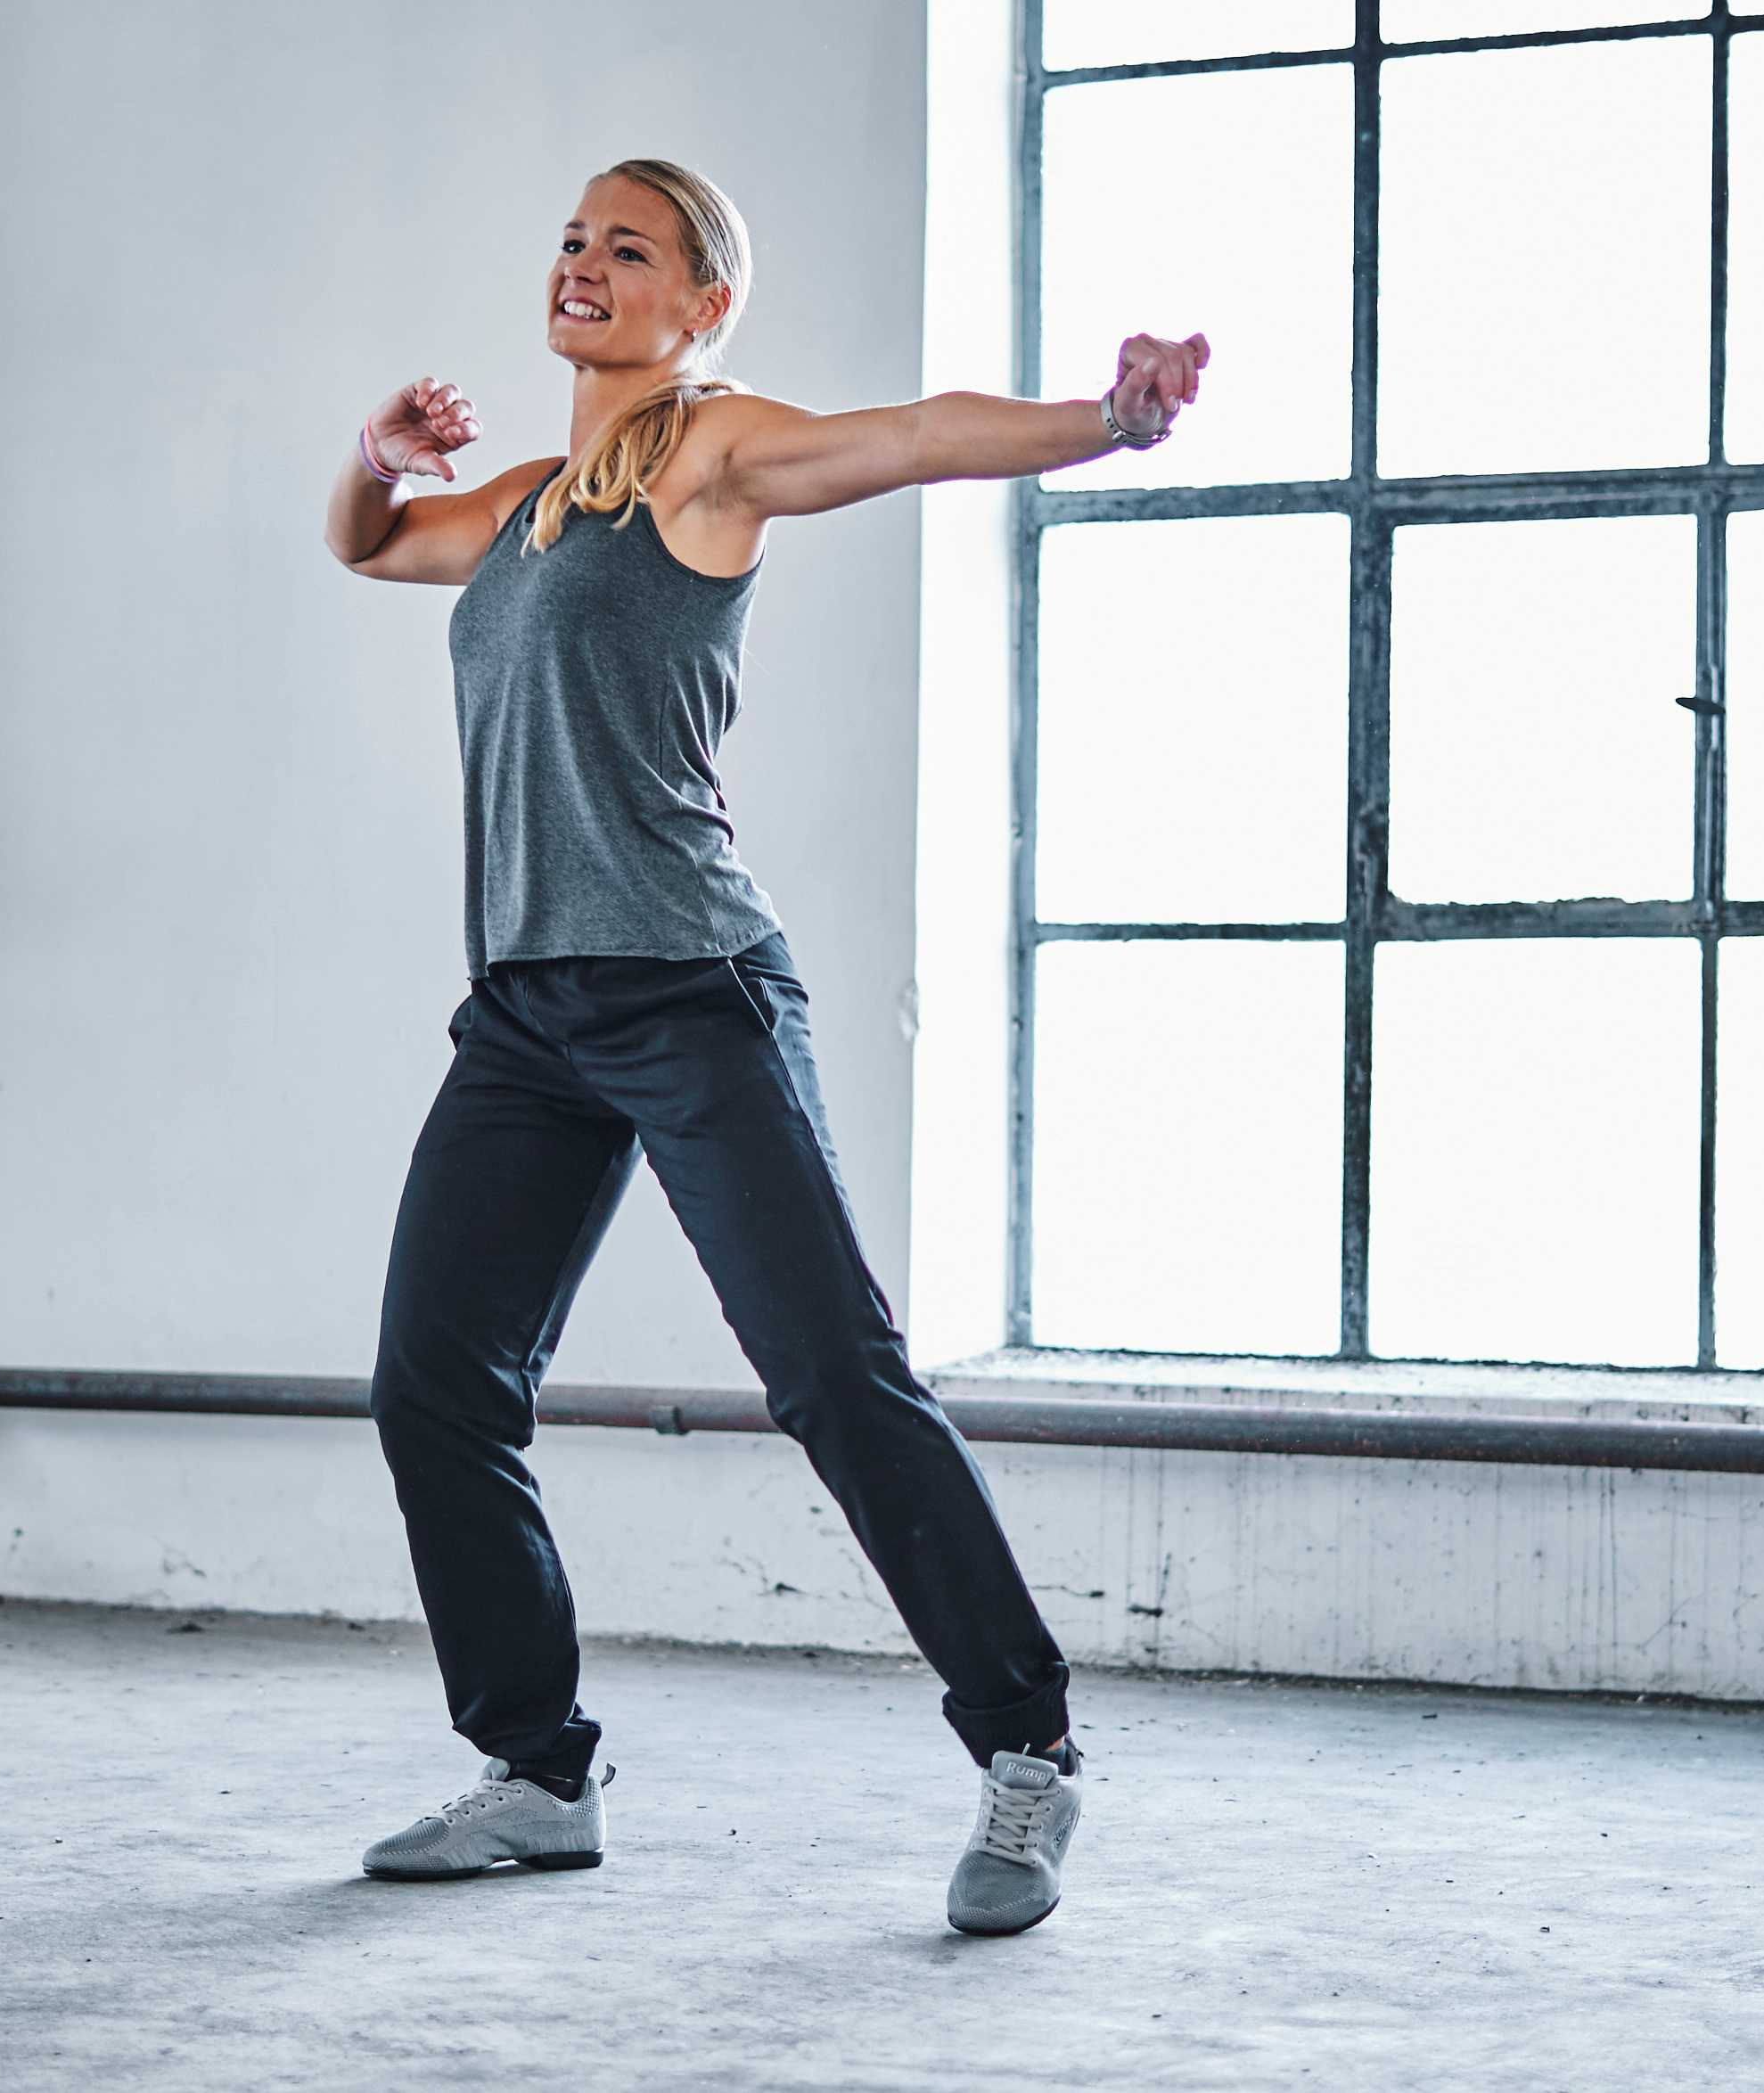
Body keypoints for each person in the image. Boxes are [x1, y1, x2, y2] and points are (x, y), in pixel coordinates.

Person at [319, 154, 1203, 1936]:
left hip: (688, 990)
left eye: (626, 250)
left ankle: (1025, 1756)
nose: (581, 263)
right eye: (569, 237)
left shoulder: (718, 456)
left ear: (698, 304)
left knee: (835, 1377)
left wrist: (1102, 421)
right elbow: (370, 543)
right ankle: (536, 1777)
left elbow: (916, 436)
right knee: (435, 1382)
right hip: (526, 1013)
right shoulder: (518, 503)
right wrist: (375, 453)